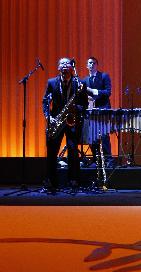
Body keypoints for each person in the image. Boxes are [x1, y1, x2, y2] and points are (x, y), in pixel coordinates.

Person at [42, 57, 88, 193]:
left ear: (71, 67)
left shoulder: (79, 83)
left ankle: (73, 180)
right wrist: (48, 117)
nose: (64, 65)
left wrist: (75, 108)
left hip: (71, 120)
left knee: (73, 152)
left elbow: (84, 104)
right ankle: (51, 181)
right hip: (56, 120)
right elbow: (45, 101)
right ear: (58, 67)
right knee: (52, 152)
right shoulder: (51, 82)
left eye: (67, 63)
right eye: (62, 63)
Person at [82, 56, 114, 166]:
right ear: (87, 66)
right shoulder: (84, 80)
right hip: (91, 111)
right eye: (89, 63)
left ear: (97, 65)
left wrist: (93, 91)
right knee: (92, 137)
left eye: (94, 63)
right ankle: (96, 160)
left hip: (103, 110)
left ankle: (108, 161)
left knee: (104, 136)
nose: (91, 65)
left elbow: (108, 92)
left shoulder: (104, 76)